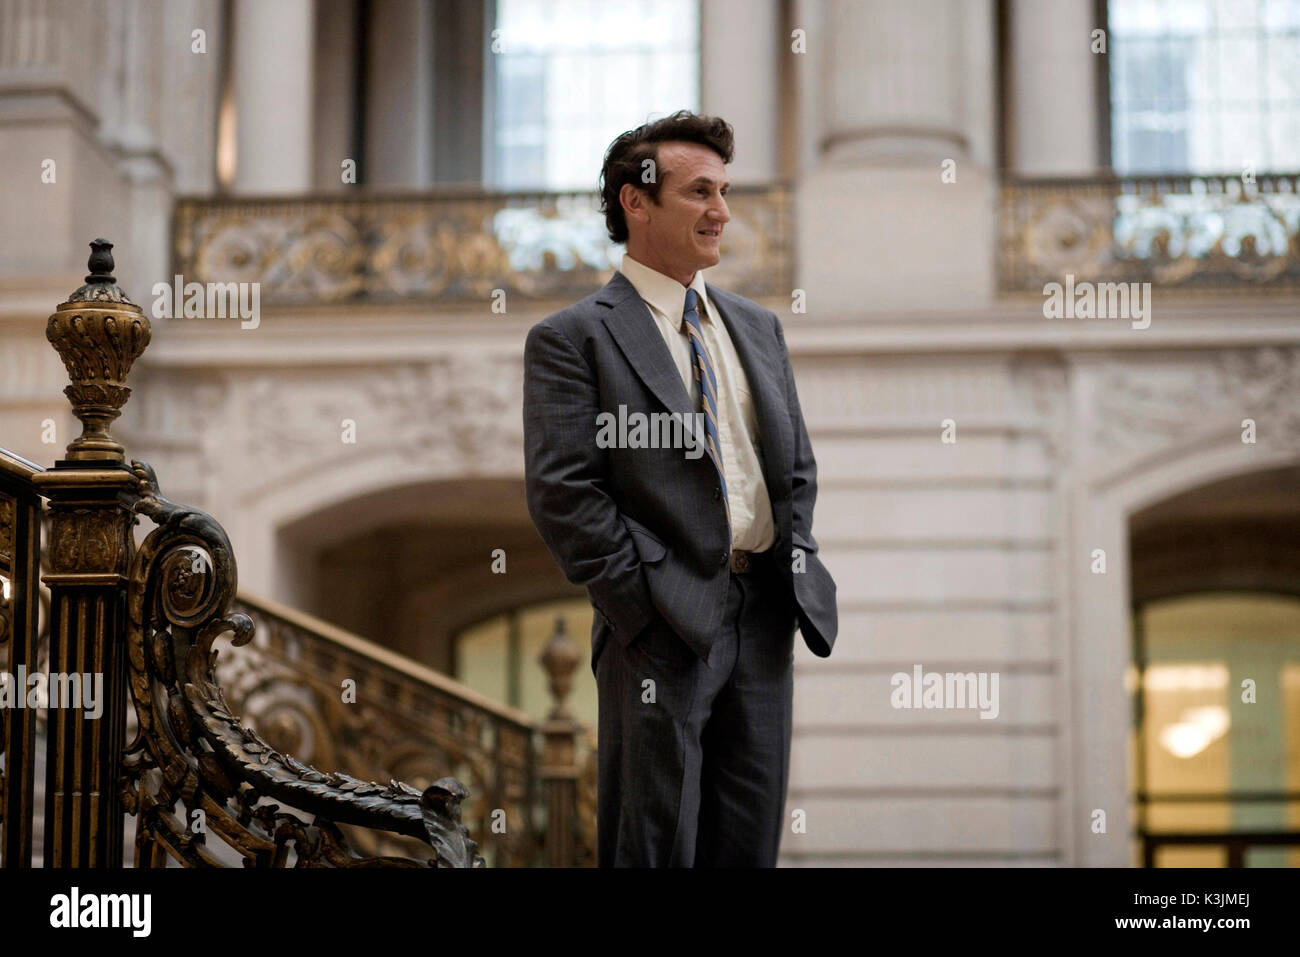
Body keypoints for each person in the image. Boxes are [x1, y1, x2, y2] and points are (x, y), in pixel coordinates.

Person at [522, 110, 837, 867]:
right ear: (637, 201)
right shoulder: (575, 338)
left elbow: (793, 468)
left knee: (748, 845)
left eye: (724, 191)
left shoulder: (757, 327)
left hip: (764, 618)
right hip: (660, 628)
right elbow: (566, 493)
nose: (721, 211)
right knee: (656, 847)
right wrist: (640, 606)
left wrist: (791, 566)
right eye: (701, 192)